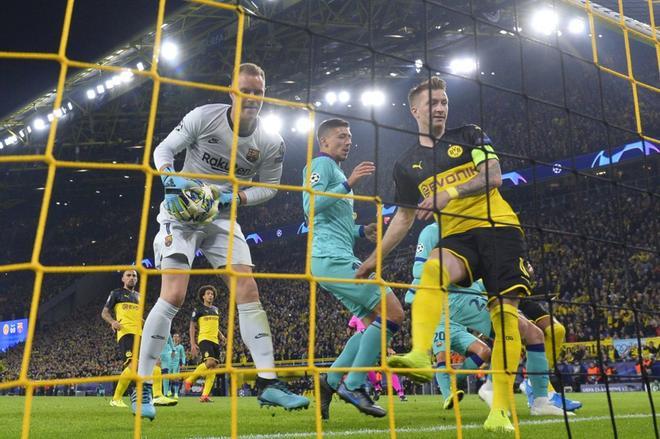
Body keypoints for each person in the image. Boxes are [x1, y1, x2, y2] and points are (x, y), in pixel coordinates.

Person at [356, 76, 542, 432]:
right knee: (431, 271)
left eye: (443, 102)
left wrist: (450, 192)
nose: (440, 108)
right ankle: (421, 354)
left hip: (499, 229)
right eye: (432, 103)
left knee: (504, 318)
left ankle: (500, 408)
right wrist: (372, 260)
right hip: (458, 237)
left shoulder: (470, 134)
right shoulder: (406, 165)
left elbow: (494, 175)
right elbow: (403, 219)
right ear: (415, 111)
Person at [132, 62, 309, 420]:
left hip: (221, 218)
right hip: (180, 215)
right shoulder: (204, 117)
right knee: (174, 294)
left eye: (258, 92)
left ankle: (268, 383)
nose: (252, 98)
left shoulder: (271, 142)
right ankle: (142, 384)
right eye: (246, 90)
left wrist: (236, 199)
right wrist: (171, 180)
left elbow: (270, 188)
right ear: (232, 91)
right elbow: (163, 152)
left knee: (247, 288)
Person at [409, 223, 568, 416]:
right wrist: (453, 272)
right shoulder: (432, 231)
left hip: (477, 294)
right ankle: (488, 388)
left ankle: (541, 401)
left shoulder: (471, 228)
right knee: (514, 331)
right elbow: (419, 270)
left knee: (535, 334)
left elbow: (481, 274)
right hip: (453, 298)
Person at [302, 118, 404, 419]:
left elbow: (331, 221)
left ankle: (330, 381)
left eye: (349, 137)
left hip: (333, 257)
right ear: (324, 142)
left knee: (375, 319)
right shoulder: (320, 166)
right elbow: (311, 208)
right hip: (331, 259)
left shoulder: (333, 170)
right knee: (394, 313)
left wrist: (362, 231)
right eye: (341, 136)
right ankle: (355, 383)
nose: (348, 141)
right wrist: (349, 183)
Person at [101, 270, 176, 408]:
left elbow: (138, 317)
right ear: (123, 278)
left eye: (134, 276)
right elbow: (104, 312)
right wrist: (112, 322)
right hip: (126, 333)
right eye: (128, 275)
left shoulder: (139, 296)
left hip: (142, 334)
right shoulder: (116, 293)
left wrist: (147, 324)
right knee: (133, 366)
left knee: (156, 362)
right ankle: (117, 398)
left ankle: (158, 396)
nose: (131, 278)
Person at [348, 316, 407, 401]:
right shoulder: (373, 313)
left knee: (367, 366)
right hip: (375, 343)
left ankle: (377, 387)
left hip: (369, 344)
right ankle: (400, 393)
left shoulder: (357, 315)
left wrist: (353, 337)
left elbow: (349, 329)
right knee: (385, 368)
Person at [184, 285, 226, 402]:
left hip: (215, 341)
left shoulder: (216, 310)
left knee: (213, 368)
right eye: (208, 294)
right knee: (210, 362)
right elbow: (192, 326)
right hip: (204, 339)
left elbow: (214, 326)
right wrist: (192, 343)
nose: (210, 296)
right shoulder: (198, 309)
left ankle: (205, 395)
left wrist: (221, 335)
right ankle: (189, 380)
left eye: (212, 294)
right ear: (203, 296)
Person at [168, 333, 186, 398]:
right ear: (172, 338)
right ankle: (169, 391)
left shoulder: (181, 347)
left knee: (176, 378)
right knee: (168, 378)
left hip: (176, 364)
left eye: (177, 337)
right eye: (174, 336)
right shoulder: (169, 346)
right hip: (169, 363)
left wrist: (183, 363)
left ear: (179, 339)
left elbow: (183, 356)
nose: (175, 338)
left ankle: (176, 393)